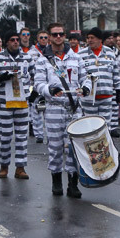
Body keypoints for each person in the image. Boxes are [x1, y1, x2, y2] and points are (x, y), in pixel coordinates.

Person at [34, 22, 90, 198]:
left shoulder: (76, 57)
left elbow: (86, 77)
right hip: (54, 108)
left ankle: (73, 183)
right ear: (49, 37)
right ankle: (56, 181)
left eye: (61, 34)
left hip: (74, 108)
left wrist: (87, 87)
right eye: (55, 34)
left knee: (73, 147)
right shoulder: (42, 60)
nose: (58, 37)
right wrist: (48, 90)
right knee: (55, 147)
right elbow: (38, 83)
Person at [0, 29, 36, 180]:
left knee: (22, 137)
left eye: (17, 39)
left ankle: (20, 168)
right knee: (6, 137)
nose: (16, 42)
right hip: (5, 103)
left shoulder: (27, 58)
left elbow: (35, 77)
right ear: (6, 42)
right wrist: (0, 78)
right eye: (12, 40)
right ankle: (4, 166)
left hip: (22, 103)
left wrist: (33, 92)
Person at [80, 27, 120, 136]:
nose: (89, 40)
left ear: (100, 39)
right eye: (88, 38)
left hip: (106, 97)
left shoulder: (110, 53)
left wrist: (118, 90)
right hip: (89, 98)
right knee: (90, 127)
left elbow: (116, 73)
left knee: (104, 126)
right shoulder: (81, 54)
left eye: (92, 38)